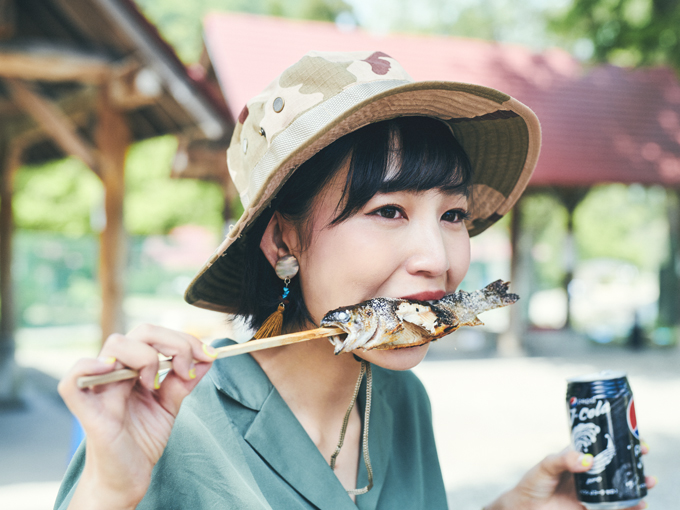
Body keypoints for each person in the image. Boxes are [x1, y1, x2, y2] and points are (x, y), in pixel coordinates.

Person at [55, 51, 653, 510]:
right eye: (388, 211)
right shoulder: (171, 418)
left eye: (453, 215)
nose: (436, 258)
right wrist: (109, 489)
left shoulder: (401, 401)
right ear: (283, 240)